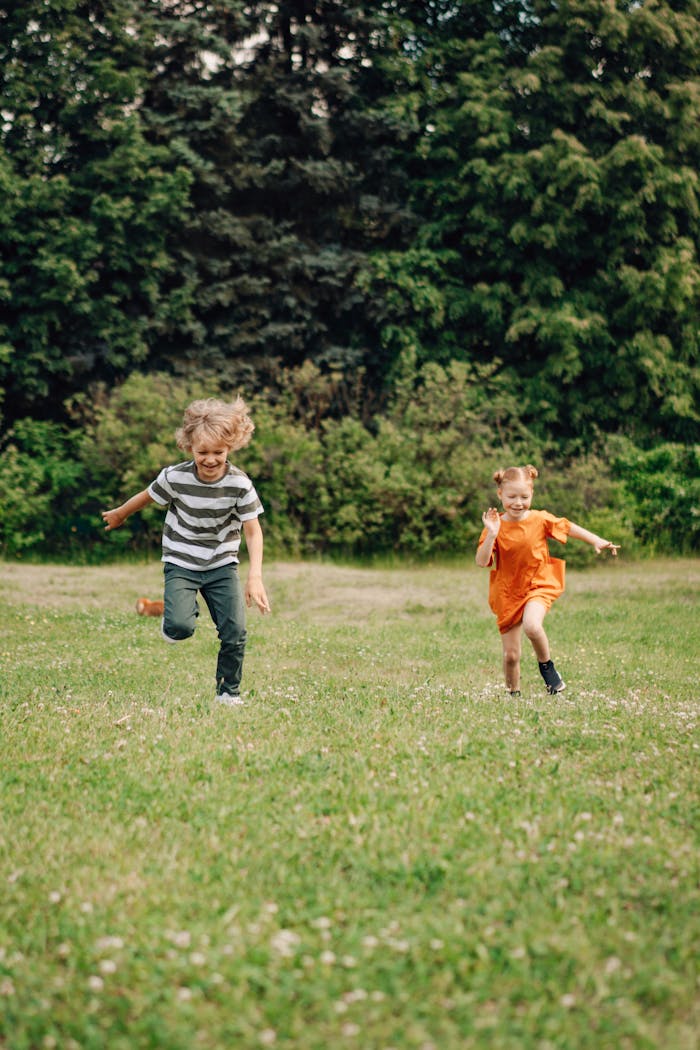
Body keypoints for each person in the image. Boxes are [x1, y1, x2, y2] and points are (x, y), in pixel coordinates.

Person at [102, 396, 271, 706]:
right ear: (189, 447)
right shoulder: (175, 477)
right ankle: (178, 616)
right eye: (201, 452)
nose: (209, 460)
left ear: (230, 448)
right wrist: (120, 514)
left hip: (221, 565)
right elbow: (146, 497)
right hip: (181, 561)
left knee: (235, 632)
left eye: (218, 452)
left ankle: (227, 693)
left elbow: (253, 530)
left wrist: (255, 576)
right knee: (180, 627)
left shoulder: (240, 485)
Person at [476, 464, 619, 696]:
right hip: (508, 592)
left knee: (532, 625)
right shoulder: (495, 526)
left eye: (524, 496)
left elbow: (568, 527)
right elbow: (482, 562)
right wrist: (491, 534)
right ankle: (514, 697)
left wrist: (596, 540)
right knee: (511, 657)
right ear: (500, 494)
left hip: (538, 584)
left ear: (532, 493)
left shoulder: (539, 519)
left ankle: (547, 667)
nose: (518, 502)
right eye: (512, 496)